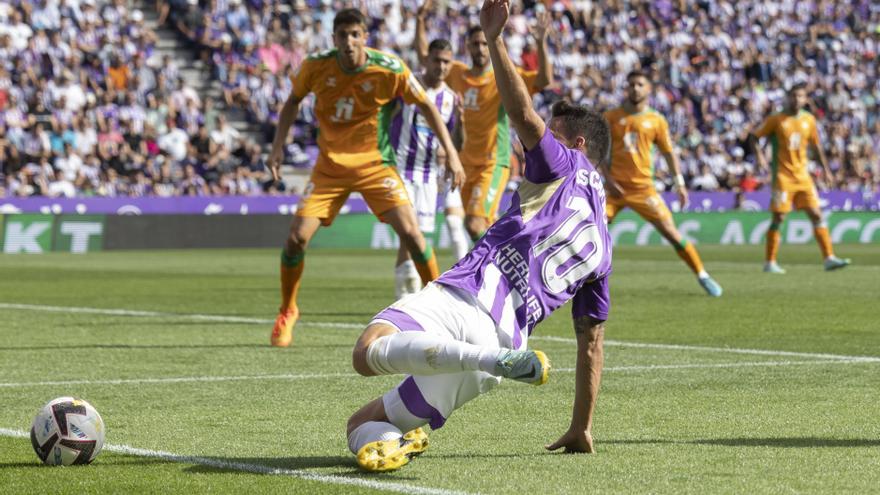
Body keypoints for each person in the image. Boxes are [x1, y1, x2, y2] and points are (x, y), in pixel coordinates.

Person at [345, 0, 613, 472]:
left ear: (577, 144)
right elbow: (591, 344)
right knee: (362, 425)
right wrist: (581, 425)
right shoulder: (605, 248)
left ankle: (483, 357)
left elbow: (524, 115)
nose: (537, 142)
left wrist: (493, 40)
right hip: (509, 337)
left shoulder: (565, 162)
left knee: (367, 353)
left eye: (553, 134)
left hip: (469, 297)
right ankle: (399, 440)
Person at [266, 9, 465, 347]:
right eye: (342, 35)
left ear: (364, 38)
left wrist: (453, 152)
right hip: (330, 168)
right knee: (297, 238)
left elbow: (428, 106)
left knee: (414, 237)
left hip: (375, 165)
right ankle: (288, 310)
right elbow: (292, 102)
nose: (348, 42)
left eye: (355, 35)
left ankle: (442, 314)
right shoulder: (315, 66)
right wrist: (277, 148)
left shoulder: (388, 69)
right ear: (334, 39)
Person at [416, 0, 553, 241]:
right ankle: (508, 260)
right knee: (483, 225)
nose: (480, 49)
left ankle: (495, 268)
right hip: (465, 163)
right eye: (475, 44)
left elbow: (543, 81)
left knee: (473, 222)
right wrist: (419, 21)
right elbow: (425, 58)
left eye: (483, 43)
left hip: (493, 162)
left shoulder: (503, 78)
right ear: (467, 46)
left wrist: (541, 44)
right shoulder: (457, 73)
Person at [602, 71, 723, 297]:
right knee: (590, 230)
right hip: (613, 190)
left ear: (648, 89)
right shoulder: (610, 117)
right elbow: (598, 153)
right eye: (631, 84)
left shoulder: (656, 120)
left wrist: (680, 184)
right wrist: (608, 181)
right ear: (626, 89)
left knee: (671, 233)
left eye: (640, 84)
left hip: (644, 189)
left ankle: (703, 275)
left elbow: (669, 153)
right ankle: (575, 283)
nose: (635, 88)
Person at [391, 33, 470, 298]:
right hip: (401, 169)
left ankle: (408, 294)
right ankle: (405, 296)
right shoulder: (407, 85)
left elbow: (455, 143)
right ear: (427, 60)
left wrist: (460, 122)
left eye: (447, 62)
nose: (442, 67)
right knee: (410, 234)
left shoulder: (450, 98)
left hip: (428, 175)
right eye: (437, 60)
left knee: (419, 236)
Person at [748, 82, 850, 274]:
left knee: (816, 214)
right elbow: (754, 136)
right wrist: (760, 156)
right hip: (783, 177)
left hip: (803, 176)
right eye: (793, 95)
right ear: (788, 97)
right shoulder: (776, 119)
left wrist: (826, 170)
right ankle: (769, 262)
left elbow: (816, 146)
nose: (796, 99)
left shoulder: (809, 120)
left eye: (800, 96)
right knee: (779, 216)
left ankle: (829, 258)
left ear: (805, 99)